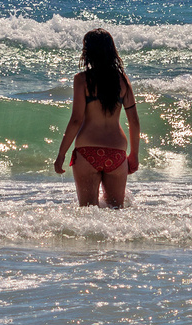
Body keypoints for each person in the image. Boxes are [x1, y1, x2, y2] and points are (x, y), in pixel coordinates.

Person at [53, 28, 140, 207]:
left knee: (87, 211)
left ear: (88, 52)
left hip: (87, 152)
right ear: (112, 50)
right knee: (116, 210)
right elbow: (134, 122)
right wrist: (134, 155)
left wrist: (61, 154)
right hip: (116, 153)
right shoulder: (122, 81)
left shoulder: (82, 80)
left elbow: (76, 120)